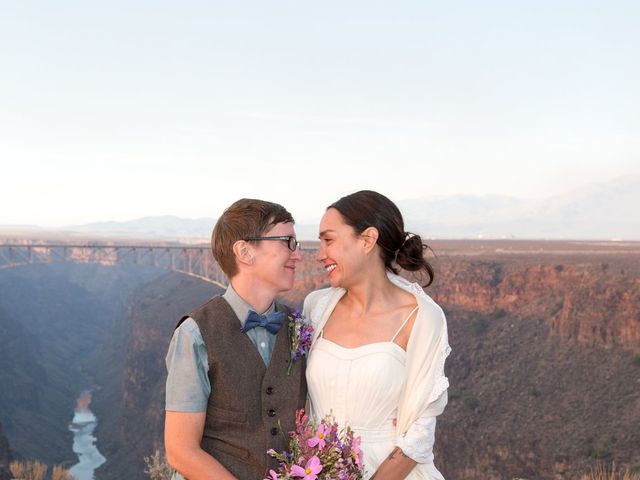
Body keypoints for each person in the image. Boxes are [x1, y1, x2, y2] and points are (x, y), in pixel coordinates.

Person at [303, 190, 450, 480]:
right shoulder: (316, 308)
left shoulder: (422, 317)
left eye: (328, 240)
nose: (320, 255)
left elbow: (421, 430)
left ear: (367, 240)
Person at [164, 198, 307, 480]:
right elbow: (181, 451)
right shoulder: (194, 333)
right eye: (286, 242)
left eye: (296, 243)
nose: (298, 255)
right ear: (245, 251)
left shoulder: (301, 327)